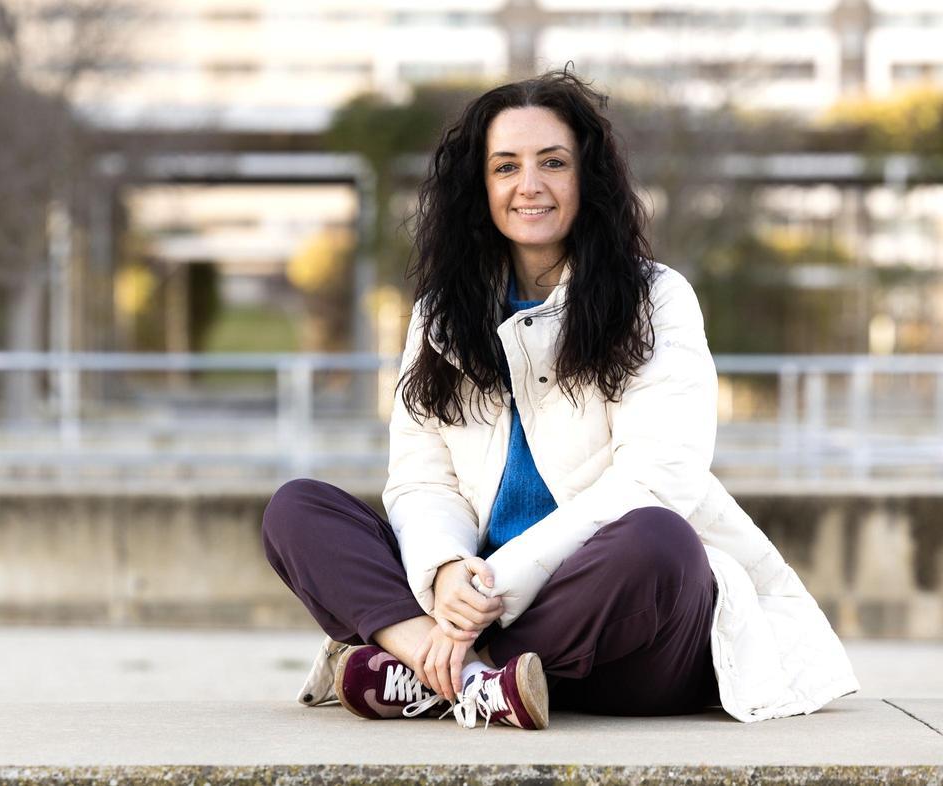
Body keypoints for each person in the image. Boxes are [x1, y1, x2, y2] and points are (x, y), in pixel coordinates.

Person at [262, 68, 858, 730]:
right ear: (479, 187)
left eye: (553, 163)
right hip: (481, 604)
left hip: (626, 632)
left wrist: (495, 587)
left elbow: (658, 479)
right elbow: (421, 480)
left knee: (660, 541)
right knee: (298, 510)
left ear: (587, 179)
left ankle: (433, 671)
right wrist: (447, 572)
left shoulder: (655, 299)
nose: (530, 185)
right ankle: (473, 679)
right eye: (506, 167)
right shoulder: (441, 315)